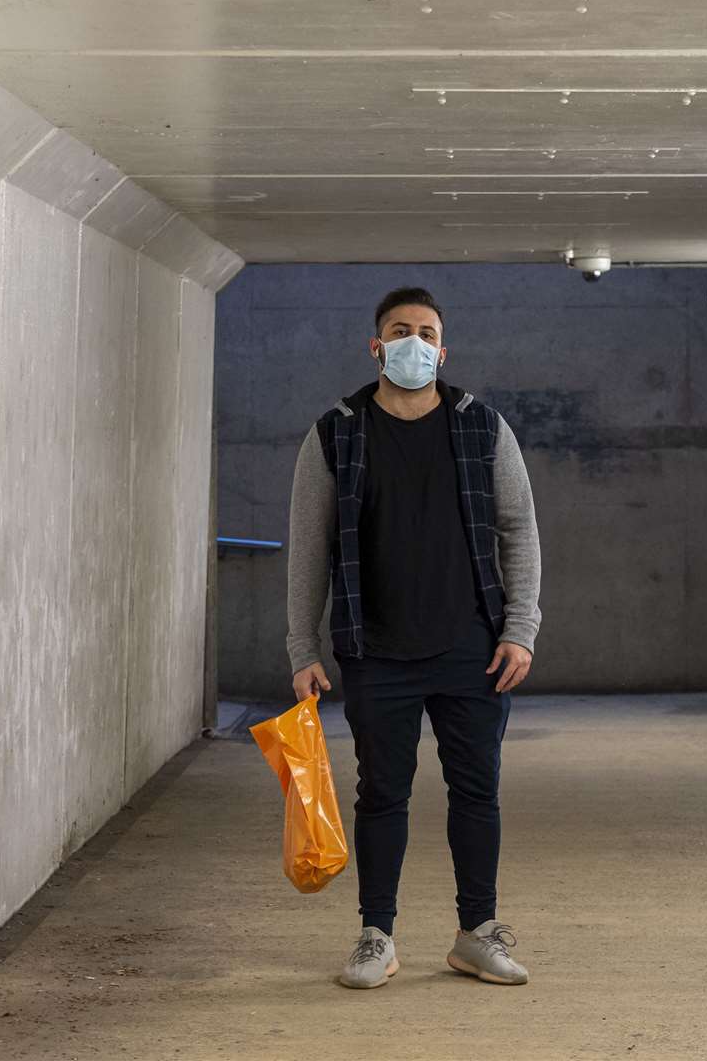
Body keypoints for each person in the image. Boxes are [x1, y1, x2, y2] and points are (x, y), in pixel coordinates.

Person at [285, 286, 543, 989]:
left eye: (427, 333)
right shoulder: (335, 433)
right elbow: (308, 547)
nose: (414, 343)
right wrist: (302, 649)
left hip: (472, 645)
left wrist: (520, 628)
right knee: (382, 795)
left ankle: (476, 934)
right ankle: (377, 937)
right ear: (376, 346)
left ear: (443, 349)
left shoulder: (482, 427)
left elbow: (518, 529)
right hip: (375, 649)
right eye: (400, 331)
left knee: (477, 792)